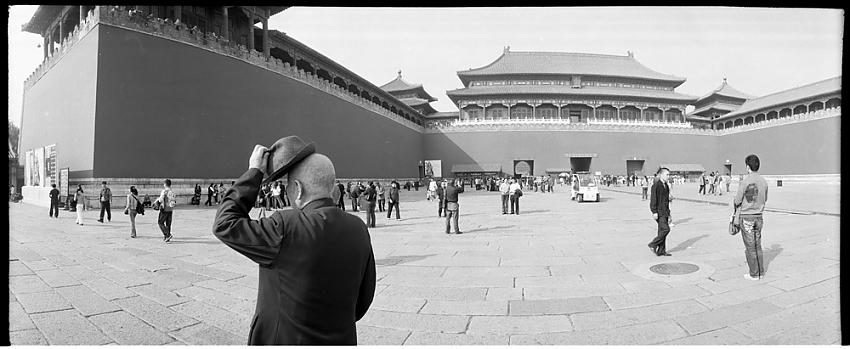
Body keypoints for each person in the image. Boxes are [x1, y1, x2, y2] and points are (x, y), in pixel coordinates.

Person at [212, 143, 375, 344]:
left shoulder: (285, 226)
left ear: (297, 189)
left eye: (288, 185)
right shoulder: (358, 228)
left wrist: (254, 172)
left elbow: (224, 223)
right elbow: (363, 300)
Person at [734, 154, 768, 280]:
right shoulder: (763, 181)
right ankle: (760, 271)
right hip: (759, 216)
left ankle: (754, 273)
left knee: (750, 247)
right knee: (757, 245)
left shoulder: (745, 181)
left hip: (747, 216)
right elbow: (765, 198)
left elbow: (737, 200)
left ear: (747, 167)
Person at [648, 167, 672, 257]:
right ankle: (653, 244)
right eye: (667, 174)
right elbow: (653, 199)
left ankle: (661, 251)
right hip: (659, 212)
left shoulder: (666, 186)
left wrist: (669, 214)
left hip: (665, 211)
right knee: (666, 229)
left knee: (661, 231)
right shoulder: (656, 185)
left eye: (669, 175)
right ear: (661, 175)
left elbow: (666, 201)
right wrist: (654, 211)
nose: (668, 176)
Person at [153, 179, 176, 243]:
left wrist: (157, 201)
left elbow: (160, 200)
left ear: (165, 184)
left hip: (164, 209)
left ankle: (167, 235)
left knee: (160, 222)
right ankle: (166, 237)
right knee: (168, 224)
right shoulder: (172, 192)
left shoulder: (164, 191)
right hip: (170, 209)